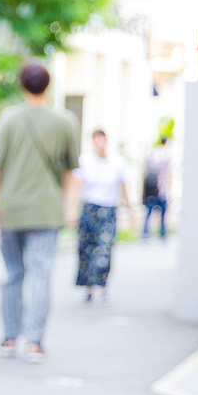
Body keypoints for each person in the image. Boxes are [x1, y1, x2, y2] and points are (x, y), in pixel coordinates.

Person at [0, 61, 80, 363]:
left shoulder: (7, 120)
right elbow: (71, 172)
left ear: (21, 85)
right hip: (46, 210)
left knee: (12, 274)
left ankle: (9, 338)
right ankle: (34, 343)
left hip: (11, 210)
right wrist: (70, 208)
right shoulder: (65, 121)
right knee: (41, 274)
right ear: (49, 84)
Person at [75, 128, 132, 303]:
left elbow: (123, 186)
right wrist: (72, 209)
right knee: (87, 248)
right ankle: (89, 287)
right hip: (89, 207)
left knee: (105, 248)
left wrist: (130, 210)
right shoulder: (84, 161)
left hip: (108, 208)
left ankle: (103, 286)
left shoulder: (117, 162)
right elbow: (77, 184)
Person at [141, 135, 172, 238]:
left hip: (152, 188)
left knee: (149, 212)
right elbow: (169, 174)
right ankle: (162, 233)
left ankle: (145, 233)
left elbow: (145, 171)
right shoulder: (167, 155)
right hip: (162, 188)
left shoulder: (153, 153)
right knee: (163, 213)